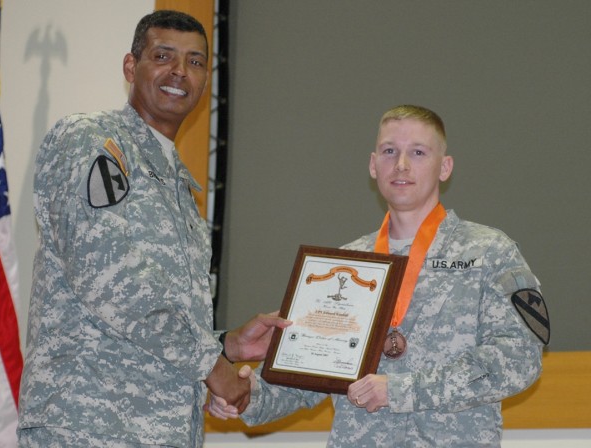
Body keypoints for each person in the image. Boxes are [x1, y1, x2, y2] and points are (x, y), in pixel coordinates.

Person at [17, 10, 289, 448]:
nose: (180, 72)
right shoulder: (94, 141)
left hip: (159, 433)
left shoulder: (178, 185)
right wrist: (213, 367)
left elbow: (153, 324)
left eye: (196, 62)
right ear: (131, 66)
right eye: (163, 56)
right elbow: (110, 276)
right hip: (88, 427)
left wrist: (227, 347)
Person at [207, 105, 549, 447]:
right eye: (389, 152)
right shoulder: (344, 266)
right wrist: (247, 394)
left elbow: (519, 358)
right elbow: (311, 375)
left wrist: (401, 390)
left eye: (417, 152)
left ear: (445, 167)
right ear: (373, 165)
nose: (401, 165)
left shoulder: (488, 252)